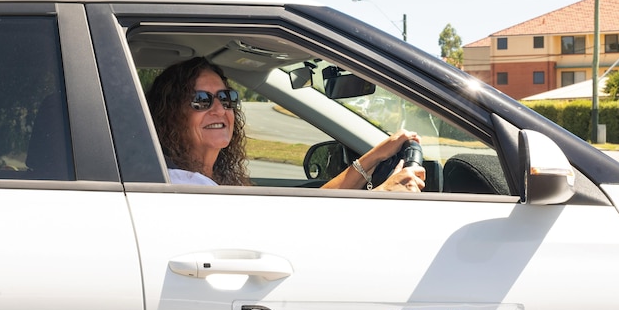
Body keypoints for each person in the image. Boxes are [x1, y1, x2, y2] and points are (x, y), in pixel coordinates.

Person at [147, 57, 425, 192]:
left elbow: (310, 210)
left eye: (226, 97)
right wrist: (383, 193)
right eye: (201, 100)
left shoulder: (212, 179)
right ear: (171, 115)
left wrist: (377, 154)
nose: (219, 108)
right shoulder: (186, 187)